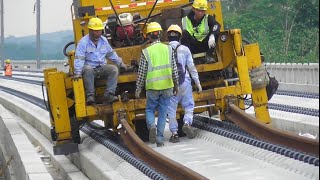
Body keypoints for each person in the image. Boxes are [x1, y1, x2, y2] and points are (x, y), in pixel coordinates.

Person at [135, 22, 179, 147]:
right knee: (163, 112)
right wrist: (176, 85)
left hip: (152, 87)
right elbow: (174, 69)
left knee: (149, 109)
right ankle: (159, 139)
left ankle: (151, 126)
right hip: (167, 86)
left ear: (148, 36)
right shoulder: (169, 48)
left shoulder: (146, 52)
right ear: (160, 34)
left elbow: (142, 72)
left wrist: (138, 89)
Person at [74, 17, 127, 105]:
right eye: (95, 31)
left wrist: (121, 64)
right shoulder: (83, 43)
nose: (98, 33)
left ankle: (109, 95)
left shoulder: (104, 41)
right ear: (90, 30)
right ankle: (90, 96)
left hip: (101, 68)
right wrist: (78, 73)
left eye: (99, 31)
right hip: (90, 70)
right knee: (87, 69)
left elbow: (111, 54)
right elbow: (79, 58)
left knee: (114, 69)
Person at [166, 25, 202, 143]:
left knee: (171, 109)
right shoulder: (185, 49)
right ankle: (187, 123)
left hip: (170, 84)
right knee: (189, 106)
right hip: (184, 82)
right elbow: (191, 67)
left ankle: (174, 134)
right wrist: (197, 83)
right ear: (180, 36)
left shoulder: (164, 50)